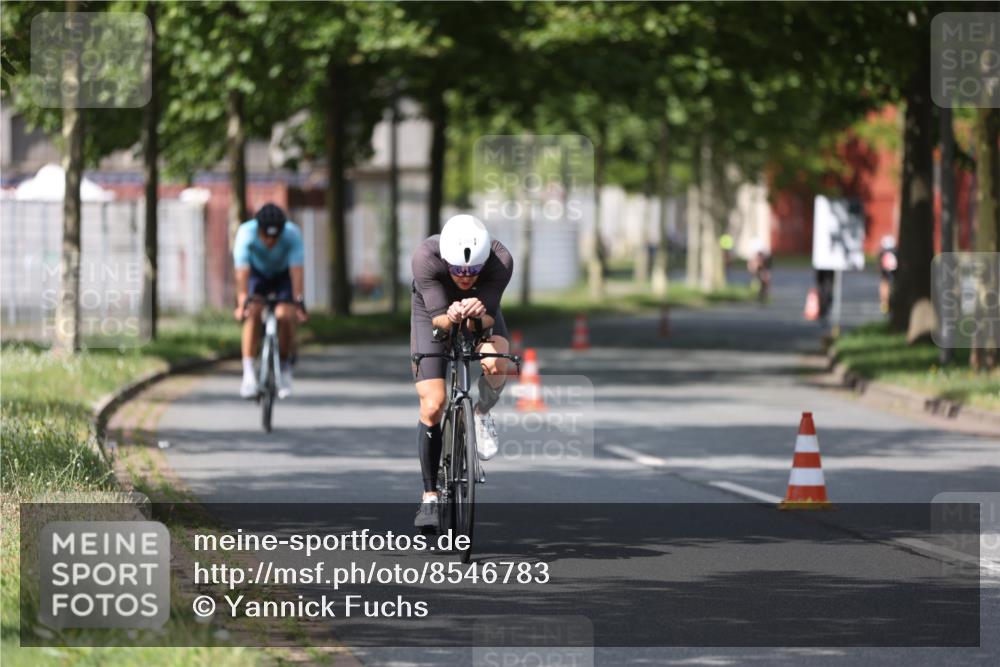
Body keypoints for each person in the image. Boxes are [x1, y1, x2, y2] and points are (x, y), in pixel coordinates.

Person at [410, 214, 513, 528]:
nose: (465, 277)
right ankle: (429, 496)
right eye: (458, 271)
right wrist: (449, 313)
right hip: (433, 312)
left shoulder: (500, 259)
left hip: (483, 311)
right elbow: (439, 320)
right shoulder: (425, 258)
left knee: (498, 360)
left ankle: (480, 413)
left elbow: (487, 318)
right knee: (433, 403)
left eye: (472, 272)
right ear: (445, 260)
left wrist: (474, 315)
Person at [232, 203, 308, 399]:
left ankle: (284, 367)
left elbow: (297, 272)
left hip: (283, 275)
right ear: (259, 229)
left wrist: (298, 302)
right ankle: (248, 374)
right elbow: (242, 274)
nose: (270, 241)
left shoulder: (292, 234)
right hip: (257, 274)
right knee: (253, 312)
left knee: (286, 314)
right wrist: (242, 303)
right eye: (266, 236)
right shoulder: (246, 233)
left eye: (275, 237)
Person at [746, 240, 772, 304]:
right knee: (762, 285)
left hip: (764, 273)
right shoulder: (758, 259)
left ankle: (764, 296)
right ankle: (761, 296)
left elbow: (767, 267)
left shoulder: (766, 259)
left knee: (765, 285)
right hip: (761, 273)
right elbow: (754, 267)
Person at [878, 235, 898, 314]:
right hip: (893, 270)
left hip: (886, 270)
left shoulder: (883, 252)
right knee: (888, 284)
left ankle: (884, 303)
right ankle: (887, 303)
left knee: (884, 283)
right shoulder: (895, 251)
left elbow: (880, 264)